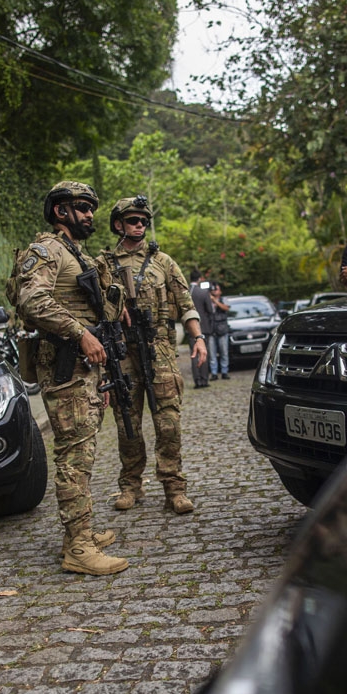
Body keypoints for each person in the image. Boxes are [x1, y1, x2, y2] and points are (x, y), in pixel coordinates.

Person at [11, 181, 128, 575]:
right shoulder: (47, 251)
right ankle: (78, 549)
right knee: (74, 457)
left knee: (85, 452)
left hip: (84, 368)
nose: (90, 214)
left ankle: (80, 532)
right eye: (82, 207)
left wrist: (102, 373)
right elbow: (32, 299)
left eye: (92, 207)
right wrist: (81, 334)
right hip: (63, 363)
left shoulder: (75, 253)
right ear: (60, 211)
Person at [103, 196, 207, 515]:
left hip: (159, 348)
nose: (139, 225)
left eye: (143, 221)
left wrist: (198, 338)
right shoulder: (104, 264)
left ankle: (174, 487)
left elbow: (185, 301)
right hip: (122, 351)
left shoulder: (163, 261)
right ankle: (130, 485)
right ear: (119, 224)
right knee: (127, 424)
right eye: (133, 220)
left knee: (168, 422)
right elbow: (96, 310)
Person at [189, 269, 215, 388]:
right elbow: (210, 311)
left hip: (189, 327)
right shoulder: (203, 293)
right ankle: (204, 379)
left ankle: (197, 381)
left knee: (193, 354)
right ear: (199, 279)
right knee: (204, 352)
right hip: (203, 327)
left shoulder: (186, 292)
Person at [208, 283, 230, 380]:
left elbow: (226, 308)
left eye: (216, 289)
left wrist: (215, 301)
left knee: (224, 352)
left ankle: (224, 371)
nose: (214, 290)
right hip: (211, 330)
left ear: (220, 291)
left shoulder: (223, 299)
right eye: (213, 289)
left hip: (222, 330)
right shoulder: (207, 300)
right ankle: (214, 373)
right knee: (212, 353)